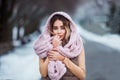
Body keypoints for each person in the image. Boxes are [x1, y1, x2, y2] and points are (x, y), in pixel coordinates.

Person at [33, 11, 86, 80]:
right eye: (55, 28)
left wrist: (63, 59)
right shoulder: (44, 45)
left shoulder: (76, 45)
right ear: (51, 29)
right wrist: (53, 48)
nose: (59, 31)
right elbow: (43, 73)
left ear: (68, 28)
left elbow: (82, 75)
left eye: (62, 27)